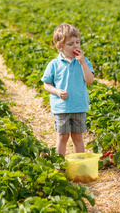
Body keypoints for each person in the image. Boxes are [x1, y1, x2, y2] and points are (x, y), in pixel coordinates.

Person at [41, 23, 95, 157]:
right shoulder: (54, 64)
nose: (75, 46)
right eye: (70, 44)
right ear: (59, 47)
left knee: (78, 138)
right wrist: (57, 92)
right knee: (62, 137)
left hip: (79, 105)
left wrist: (83, 63)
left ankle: (80, 165)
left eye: (77, 42)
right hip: (62, 108)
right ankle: (60, 166)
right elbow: (46, 85)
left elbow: (90, 80)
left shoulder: (84, 61)